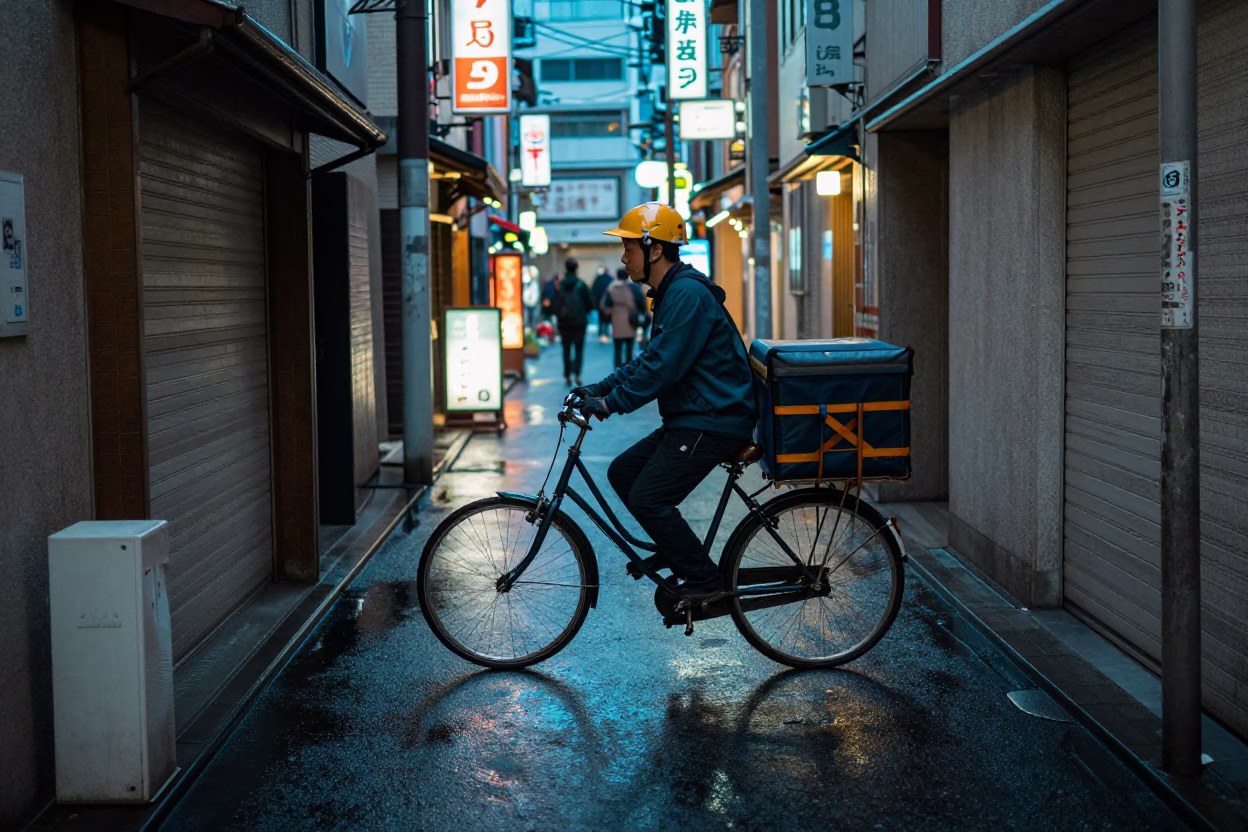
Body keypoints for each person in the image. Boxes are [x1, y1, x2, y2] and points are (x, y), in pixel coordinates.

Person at [571, 203, 756, 603]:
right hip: (696, 416)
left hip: (714, 419)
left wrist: (610, 403)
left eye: (629, 248)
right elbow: (650, 360)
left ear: (654, 250)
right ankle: (679, 553)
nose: (624, 257)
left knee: (648, 498)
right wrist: (599, 387)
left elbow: (661, 368)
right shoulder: (673, 293)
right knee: (623, 473)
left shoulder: (685, 295)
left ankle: (706, 581)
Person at [553, 257, 594, 386]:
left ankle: (567, 375)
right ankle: (577, 373)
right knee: (579, 348)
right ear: (576, 268)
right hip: (579, 322)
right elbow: (590, 303)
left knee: (566, 349)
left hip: (564, 322)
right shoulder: (581, 285)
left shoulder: (561, 285)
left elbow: (556, 304)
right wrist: (583, 311)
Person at [600, 268, 640, 367]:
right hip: (631, 320)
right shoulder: (633, 288)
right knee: (629, 348)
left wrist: (610, 312)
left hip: (617, 321)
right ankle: (629, 369)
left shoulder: (611, 288)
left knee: (617, 348)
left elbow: (604, 305)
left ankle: (617, 371)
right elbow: (641, 303)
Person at [591, 265, 613, 342]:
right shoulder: (611, 279)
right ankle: (606, 332)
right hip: (608, 303)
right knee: (607, 318)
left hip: (599, 302)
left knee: (600, 318)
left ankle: (601, 332)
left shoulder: (598, 279)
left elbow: (593, 290)